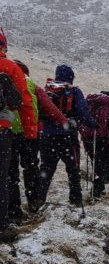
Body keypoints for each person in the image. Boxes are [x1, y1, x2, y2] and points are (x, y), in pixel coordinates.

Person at [10, 60, 67, 218]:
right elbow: (48, 106)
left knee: (11, 172)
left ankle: (12, 210)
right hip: (29, 133)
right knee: (31, 167)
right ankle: (33, 200)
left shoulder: (5, 81)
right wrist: (64, 121)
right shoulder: (32, 85)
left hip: (7, 132)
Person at [37, 65, 96, 209]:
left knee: (46, 169)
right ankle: (76, 199)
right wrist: (93, 124)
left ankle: (37, 200)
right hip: (67, 137)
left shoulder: (47, 90)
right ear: (71, 76)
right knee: (73, 169)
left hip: (46, 136)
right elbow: (83, 112)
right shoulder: (74, 91)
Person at [0, 30, 36, 241]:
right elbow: (25, 103)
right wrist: (30, 132)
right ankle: (2, 226)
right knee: (2, 178)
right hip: (2, 130)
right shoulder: (11, 68)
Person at [80, 93, 109, 199]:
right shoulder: (108, 109)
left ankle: (100, 188)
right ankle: (96, 191)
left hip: (88, 139)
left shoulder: (89, 106)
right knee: (102, 165)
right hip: (101, 139)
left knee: (95, 163)